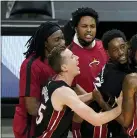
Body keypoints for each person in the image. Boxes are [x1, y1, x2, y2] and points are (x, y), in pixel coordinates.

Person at [34, 46, 123, 138]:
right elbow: (96, 119)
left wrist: (92, 95)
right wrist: (119, 108)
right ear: (64, 67)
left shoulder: (52, 81)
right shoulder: (63, 92)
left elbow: (70, 101)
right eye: (72, 57)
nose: (77, 57)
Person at [12, 21, 65, 138]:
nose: (62, 43)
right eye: (57, 40)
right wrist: (57, 118)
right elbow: (31, 107)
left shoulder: (61, 61)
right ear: (45, 43)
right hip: (30, 127)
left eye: (63, 38)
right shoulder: (31, 65)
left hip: (52, 122)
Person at [63, 7, 108, 138]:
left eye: (92, 26)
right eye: (84, 26)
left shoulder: (104, 47)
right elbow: (71, 86)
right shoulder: (67, 53)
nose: (89, 30)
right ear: (76, 28)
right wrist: (95, 102)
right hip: (83, 114)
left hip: (106, 110)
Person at [92, 29, 131, 138]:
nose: (121, 52)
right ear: (108, 53)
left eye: (122, 47)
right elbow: (120, 118)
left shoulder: (125, 65)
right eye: (115, 50)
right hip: (115, 128)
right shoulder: (113, 77)